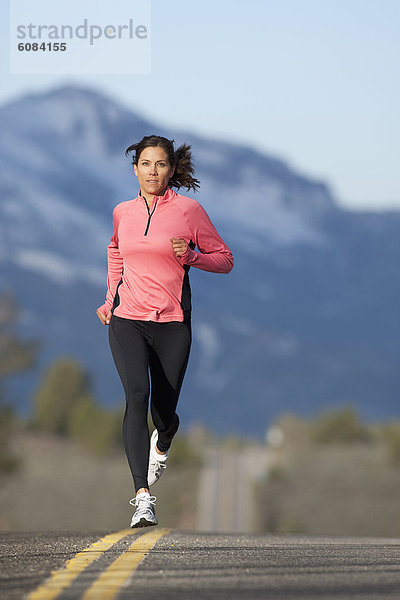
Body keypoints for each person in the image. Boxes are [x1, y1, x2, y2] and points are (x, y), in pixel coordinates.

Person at [96, 135, 233, 528]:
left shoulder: (189, 212)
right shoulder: (122, 212)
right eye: (145, 164)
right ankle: (143, 496)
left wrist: (190, 256)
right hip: (128, 319)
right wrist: (110, 300)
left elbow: (225, 260)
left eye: (160, 164)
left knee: (164, 411)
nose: (152, 172)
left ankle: (165, 438)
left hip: (172, 323)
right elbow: (115, 251)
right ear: (134, 168)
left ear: (172, 170)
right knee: (136, 396)